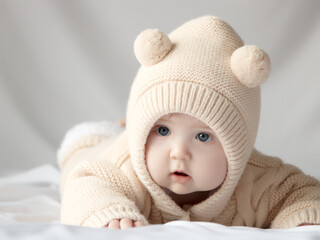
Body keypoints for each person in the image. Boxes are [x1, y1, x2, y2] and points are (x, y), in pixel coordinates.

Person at [57, 15, 320, 229]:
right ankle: (114, 130)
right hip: (100, 147)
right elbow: (84, 184)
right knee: (80, 151)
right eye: (163, 130)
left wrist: (301, 217)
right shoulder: (123, 169)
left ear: (237, 148)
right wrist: (109, 213)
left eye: (203, 136)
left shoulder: (257, 180)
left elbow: (304, 192)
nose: (179, 152)